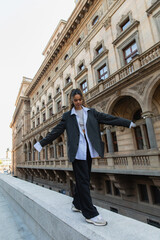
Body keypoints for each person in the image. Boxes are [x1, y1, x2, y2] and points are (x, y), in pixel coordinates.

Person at [34, 88, 136, 226]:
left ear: (83, 99)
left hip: (88, 151)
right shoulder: (67, 116)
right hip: (77, 153)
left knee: (84, 179)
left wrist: (127, 122)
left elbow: (109, 118)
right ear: (71, 100)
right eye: (75, 100)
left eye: (80, 99)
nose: (78, 102)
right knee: (83, 181)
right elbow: (56, 132)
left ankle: (77, 204)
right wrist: (41, 143)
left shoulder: (91, 113)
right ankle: (90, 214)